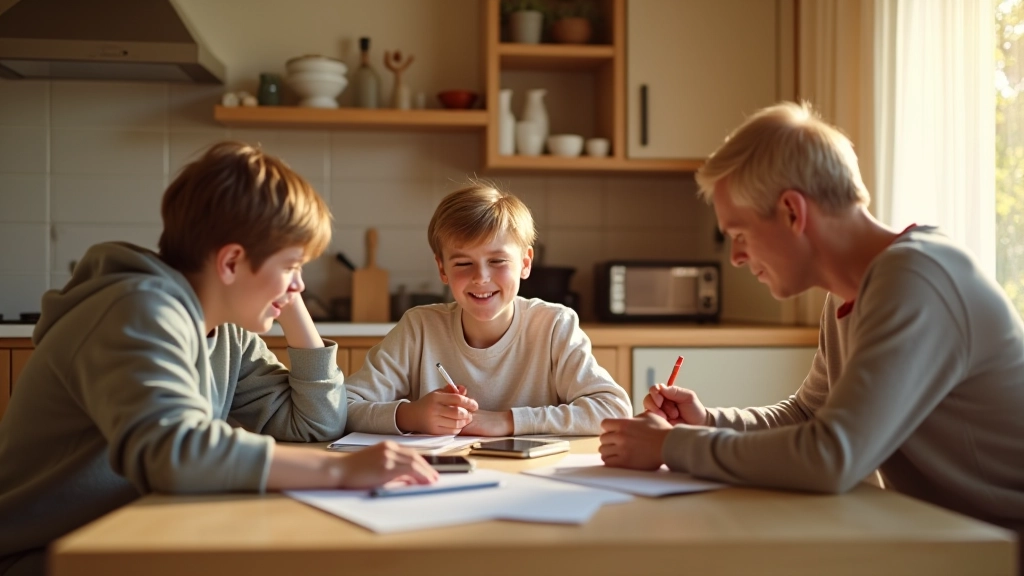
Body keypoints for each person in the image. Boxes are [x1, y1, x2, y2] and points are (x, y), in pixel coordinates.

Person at [0, 142, 437, 576]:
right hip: (49, 556)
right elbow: (176, 450)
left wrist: (288, 298)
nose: (300, 284)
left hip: (137, 539)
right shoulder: (135, 311)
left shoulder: (223, 329)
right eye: (292, 266)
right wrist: (338, 473)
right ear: (230, 262)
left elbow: (315, 424)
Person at [599, 102, 1024, 544]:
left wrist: (669, 447)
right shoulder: (853, 292)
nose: (737, 258)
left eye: (740, 235)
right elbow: (808, 415)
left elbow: (830, 455)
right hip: (949, 541)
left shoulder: (918, 280)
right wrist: (706, 421)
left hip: (1000, 552)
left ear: (792, 212)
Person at [344, 183, 632, 436]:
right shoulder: (419, 328)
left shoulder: (554, 325)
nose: (481, 277)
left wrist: (507, 421)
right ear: (442, 269)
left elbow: (614, 410)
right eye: (463, 263)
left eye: (497, 261)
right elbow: (343, 407)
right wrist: (411, 416)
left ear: (525, 262)